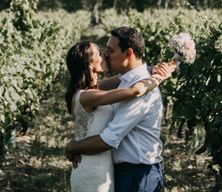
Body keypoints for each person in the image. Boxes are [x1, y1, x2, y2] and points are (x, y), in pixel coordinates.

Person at [65, 27, 176, 192]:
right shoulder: (101, 90)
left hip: (137, 173)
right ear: (89, 65)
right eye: (102, 53)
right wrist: (157, 76)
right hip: (107, 170)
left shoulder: (140, 86)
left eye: (109, 50)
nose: (106, 55)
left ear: (128, 53)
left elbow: (109, 139)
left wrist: (74, 147)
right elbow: (133, 89)